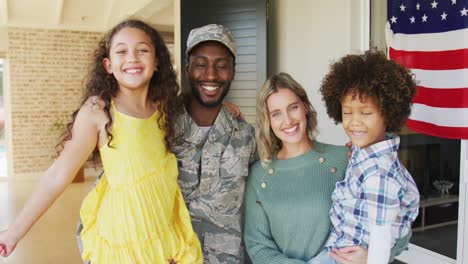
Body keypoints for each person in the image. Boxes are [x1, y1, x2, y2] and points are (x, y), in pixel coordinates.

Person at [0, 19, 202, 264]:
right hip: (124, 238)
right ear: (108, 64)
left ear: (157, 61)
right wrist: (14, 232)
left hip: (163, 230)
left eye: (143, 50)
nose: (132, 58)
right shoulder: (99, 110)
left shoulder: (166, 106)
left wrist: (225, 108)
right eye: (121, 51)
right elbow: (58, 174)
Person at [244, 72, 411, 264]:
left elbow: (399, 223)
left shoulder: (345, 159)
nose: (288, 120)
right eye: (276, 114)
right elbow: (258, 246)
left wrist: (373, 258)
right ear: (268, 120)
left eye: (293, 108)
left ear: (305, 107)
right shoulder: (259, 175)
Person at [315, 50, 420, 264]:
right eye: (347, 112)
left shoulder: (379, 174)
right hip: (339, 247)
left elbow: (381, 236)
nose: (355, 122)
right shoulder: (367, 151)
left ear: (388, 113)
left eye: (366, 113)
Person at [172, 24, 257, 263]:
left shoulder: (246, 136)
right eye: (201, 64)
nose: (211, 75)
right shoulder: (158, 127)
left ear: (233, 71)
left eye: (221, 66)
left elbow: (273, 182)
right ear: (188, 67)